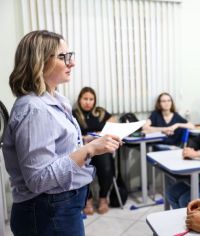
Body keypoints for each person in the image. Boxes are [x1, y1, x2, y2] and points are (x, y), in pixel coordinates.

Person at [2, 30, 122, 236]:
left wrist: (89, 143)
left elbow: (59, 149)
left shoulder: (56, 99)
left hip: (61, 206)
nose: (71, 63)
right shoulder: (33, 108)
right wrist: (90, 150)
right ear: (39, 62)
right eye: (62, 57)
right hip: (46, 210)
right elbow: (38, 179)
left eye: (70, 55)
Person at [72, 87, 117, 215]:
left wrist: (101, 133)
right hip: (83, 149)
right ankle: (88, 200)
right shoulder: (74, 114)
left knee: (107, 166)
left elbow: (113, 125)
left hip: (101, 149)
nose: (88, 102)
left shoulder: (100, 112)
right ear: (80, 100)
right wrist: (84, 138)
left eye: (91, 99)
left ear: (94, 101)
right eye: (85, 99)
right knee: (81, 167)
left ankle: (103, 198)